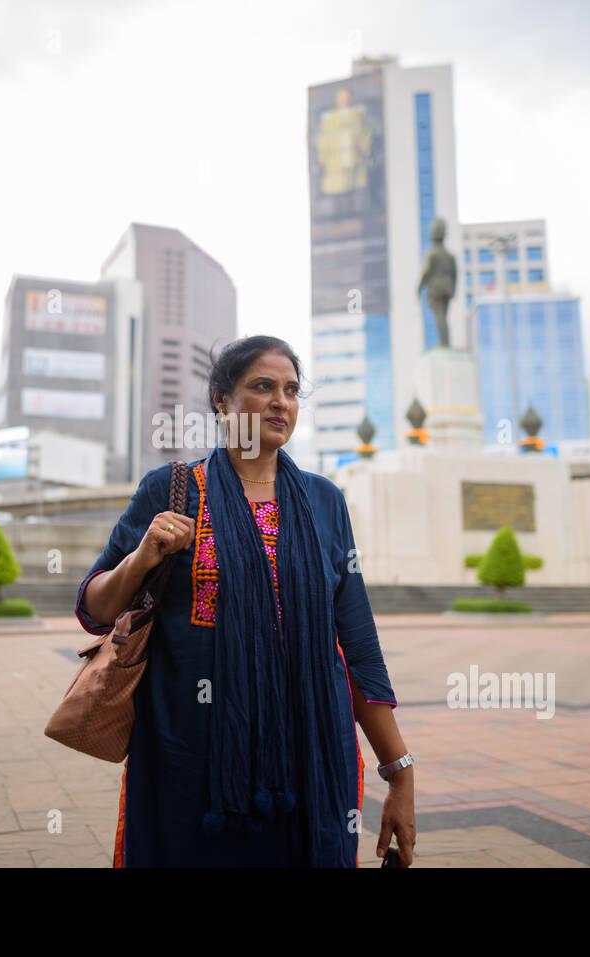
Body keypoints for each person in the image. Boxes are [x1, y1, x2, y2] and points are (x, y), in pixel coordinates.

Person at [74, 335, 416, 868]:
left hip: (310, 751)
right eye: (263, 387)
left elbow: (357, 642)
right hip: (191, 758)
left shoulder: (324, 502)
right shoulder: (173, 490)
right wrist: (142, 555)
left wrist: (400, 773)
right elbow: (95, 608)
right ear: (221, 399)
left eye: (292, 390)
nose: (282, 401)